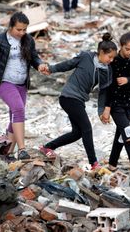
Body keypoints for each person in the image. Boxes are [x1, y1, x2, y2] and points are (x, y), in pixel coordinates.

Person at [39, 33, 117, 170]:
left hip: (79, 100)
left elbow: (103, 92)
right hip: (68, 97)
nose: (111, 60)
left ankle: (47, 147)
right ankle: (94, 163)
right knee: (87, 128)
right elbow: (68, 64)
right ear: (101, 52)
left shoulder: (107, 71)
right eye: (109, 57)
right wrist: (51, 69)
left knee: (77, 132)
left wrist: (101, 111)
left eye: (113, 58)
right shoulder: (86, 57)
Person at [0, 12, 46, 160]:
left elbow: (34, 57)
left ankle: (8, 151)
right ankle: (22, 150)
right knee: (18, 109)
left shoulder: (28, 40)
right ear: (11, 26)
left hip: (22, 83)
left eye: (24, 30)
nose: (22, 33)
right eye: (19, 29)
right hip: (4, 81)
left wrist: (40, 65)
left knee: (14, 114)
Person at [102, 31, 130, 172]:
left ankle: (112, 164)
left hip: (129, 104)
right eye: (127, 49)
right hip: (115, 104)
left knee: (121, 134)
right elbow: (108, 87)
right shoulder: (113, 63)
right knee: (127, 131)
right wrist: (107, 108)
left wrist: (128, 80)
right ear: (121, 46)